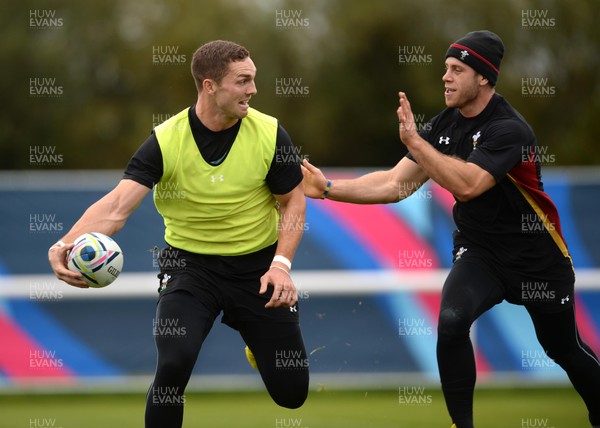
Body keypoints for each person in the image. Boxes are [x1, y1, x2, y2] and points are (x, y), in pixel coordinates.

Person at [302, 30, 600, 428]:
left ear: (484, 78)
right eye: (445, 68)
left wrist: (415, 141)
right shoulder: (444, 124)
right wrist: (327, 189)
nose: (445, 76)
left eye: (457, 69)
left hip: (537, 259)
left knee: (563, 349)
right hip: (481, 254)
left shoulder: (510, 129)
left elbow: (470, 184)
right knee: (453, 320)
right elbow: (395, 184)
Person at [48, 40, 309, 427]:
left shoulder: (270, 133)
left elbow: (293, 202)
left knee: (291, 394)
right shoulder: (167, 140)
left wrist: (281, 265)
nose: (253, 90)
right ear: (209, 86)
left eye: (253, 79)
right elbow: (117, 207)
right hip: (190, 269)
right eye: (243, 81)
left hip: (258, 268)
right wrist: (63, 244)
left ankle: (257, 344)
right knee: (174, 362)